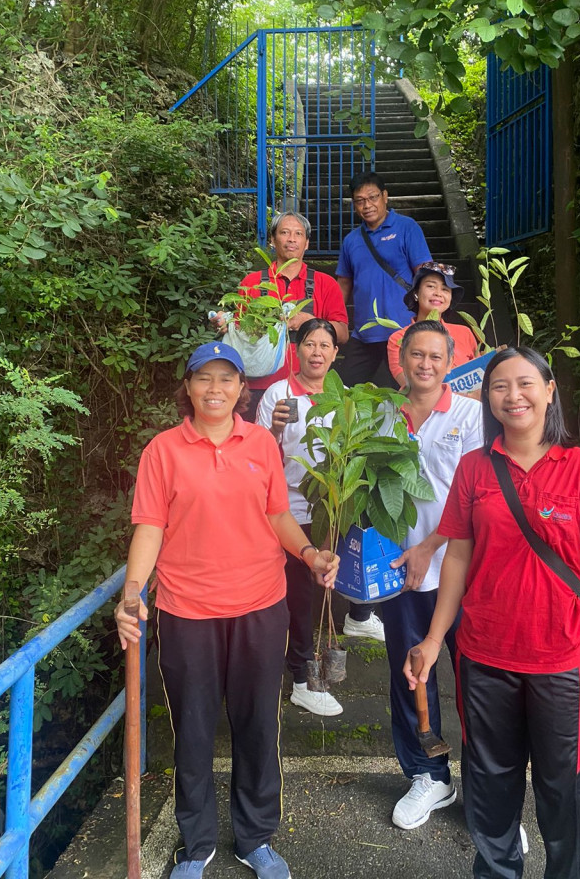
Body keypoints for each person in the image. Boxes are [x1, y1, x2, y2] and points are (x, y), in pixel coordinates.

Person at [404, 345, 580, 879]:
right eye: (500, 386)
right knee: (490, 783)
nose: (512, 395)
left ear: (550, 391)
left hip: (565, 660)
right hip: (484, 653)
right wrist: (434, 639)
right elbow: (457, 553)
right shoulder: (476, 468)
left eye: (526, 384)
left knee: (565, 790)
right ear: (488, 398)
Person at [114, 341, 339, 879]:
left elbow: (278, 514)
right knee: (191, 727)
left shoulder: (262, 444)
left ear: (242, 389)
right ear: (188, 387)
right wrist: (132, 592)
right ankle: (195, 845)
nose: (215, 389)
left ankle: (254, 838)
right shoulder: (162, 451)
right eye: (204, 379)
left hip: (261, 605)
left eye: (226, 379)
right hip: (187, 609)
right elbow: (150, 527)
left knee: (259, 724)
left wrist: (307, 553)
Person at [382, 320, 483, 829]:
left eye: (435, 357)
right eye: (415, 356)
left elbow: (474, 494)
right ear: (401, 361)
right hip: (401, 574)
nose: (424, 365)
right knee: (410, 675)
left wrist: (429, 545)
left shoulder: (472, 415)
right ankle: (429, 775)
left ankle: (487, 795)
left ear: (450, 363)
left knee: (478, 680)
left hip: (463, 571)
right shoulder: (382, 415)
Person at [257, 318, 344, 716]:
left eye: (325, 345)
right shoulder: (278, 393)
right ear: (297, 349)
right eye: (310, 344)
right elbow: (256, 460)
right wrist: (273, 431)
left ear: (335, 353)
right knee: (298, 595)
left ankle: (310, 669)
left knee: (317, 591)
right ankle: (302, 678)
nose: (317, 352)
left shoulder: (342, 396)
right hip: (285, 511)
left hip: (330, 508)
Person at [215, 211, 349, 422]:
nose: (291, 239)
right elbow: (240, 333)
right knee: (256, 443)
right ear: (272, 240)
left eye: (298, 234)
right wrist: (228, 323)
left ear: (306, 243)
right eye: (284, 233)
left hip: (303, 389)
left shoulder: (326, 284)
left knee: (296, 446)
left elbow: (342, 334)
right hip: (257, 384)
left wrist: (311, 323)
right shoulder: (252, 282)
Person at [336, 171, 431, 387]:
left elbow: (424, 274)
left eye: (372, 197)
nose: (367, 205)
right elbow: (344, 284)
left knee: (403, 396)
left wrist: (427, 319)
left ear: (385, 196)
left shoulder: (407, 227)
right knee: (345, 392)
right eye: (360, 201)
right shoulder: (351, 241)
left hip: (403, 331)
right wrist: (332, 320)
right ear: (354, 205)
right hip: (364, 333)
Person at [387, 262, 479, 388]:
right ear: (416, 293)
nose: (438, 293)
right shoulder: (399, 338)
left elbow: (478, 377)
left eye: (445, 289)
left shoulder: (465, 333)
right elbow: (410, 385)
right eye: (431, 286)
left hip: (467, 406)